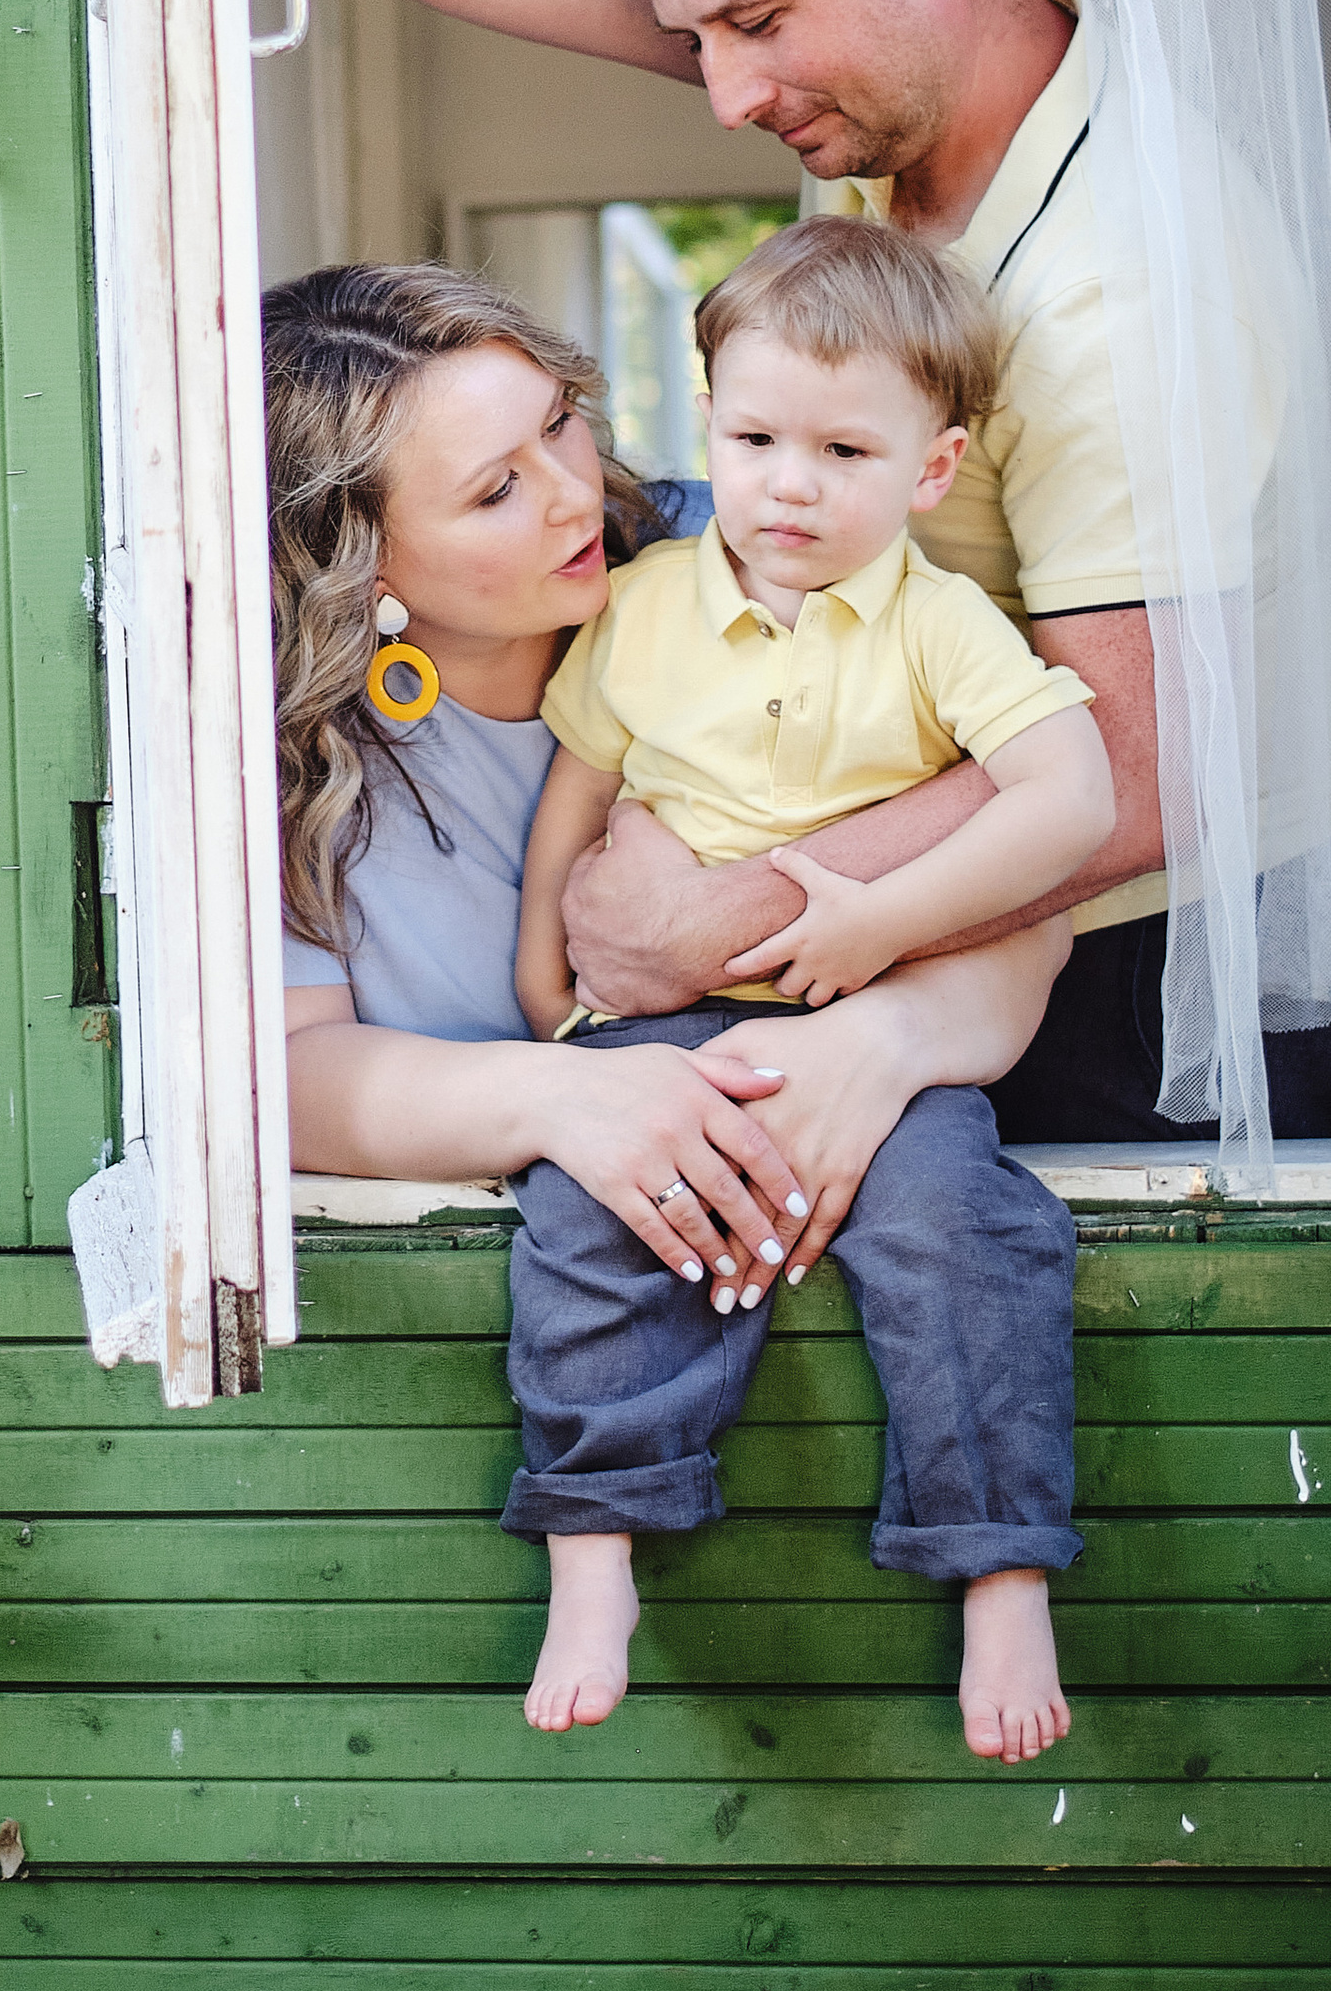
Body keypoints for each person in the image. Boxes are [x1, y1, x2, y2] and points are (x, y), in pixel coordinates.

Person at [248, 0, 1331, 1142]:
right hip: (866, 914)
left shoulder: (1124, 291)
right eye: (701, 38)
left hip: (1120, 986)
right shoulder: (887, 93)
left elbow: (1137, 775)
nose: (727, 95)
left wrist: (707, 915)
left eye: (755, 25)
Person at [267, 261, 1071, 1758]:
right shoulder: (291, 759)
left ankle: (998, 1554)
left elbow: (1032, 889)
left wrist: (871, 1036)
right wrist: (570, 1099)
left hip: (847, 1154)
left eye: (564, 425)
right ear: (357, 553)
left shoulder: (759, 544)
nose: (580, 494)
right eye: (499, 489)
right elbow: (286, 1075)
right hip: (587, 1254)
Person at [508, 220, 1110, 1756]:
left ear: (931, 467)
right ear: (707, 418)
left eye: (845, 449)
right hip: (652, 1027)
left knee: (962, 1234)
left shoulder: (939, 624)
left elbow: (1071, 800)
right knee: (589, 1221)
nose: (789, 482)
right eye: (755, 435)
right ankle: (594, 1545)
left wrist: (881, 919)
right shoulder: (642, 606)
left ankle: (999, 1564)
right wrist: (542, 997)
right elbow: (575, 799)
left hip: (869, 1024)